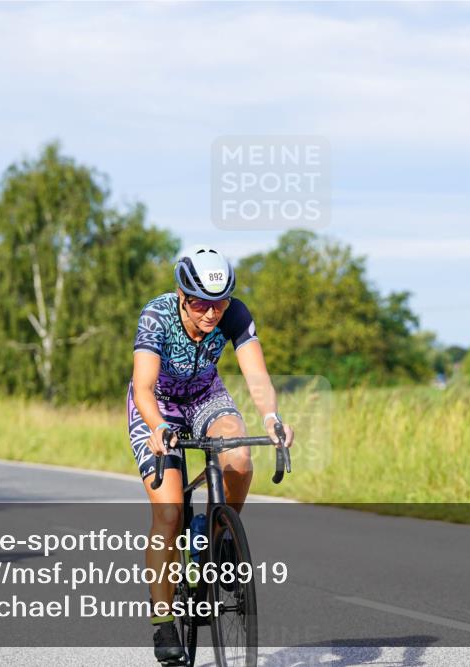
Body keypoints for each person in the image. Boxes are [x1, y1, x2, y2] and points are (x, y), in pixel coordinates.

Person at [127, 245, 294, 662]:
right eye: (201, 303)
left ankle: (218, 538)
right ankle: (163, 623)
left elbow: (256, 374)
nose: (212, 313)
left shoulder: (234, 314)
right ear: (182, 296)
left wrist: (272, 417)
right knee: (168, 513)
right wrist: (158, 427)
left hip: (206, 397)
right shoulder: (157, 315)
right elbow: (143, 386)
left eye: (219, 303)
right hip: (158, 406)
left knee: (238, 456)